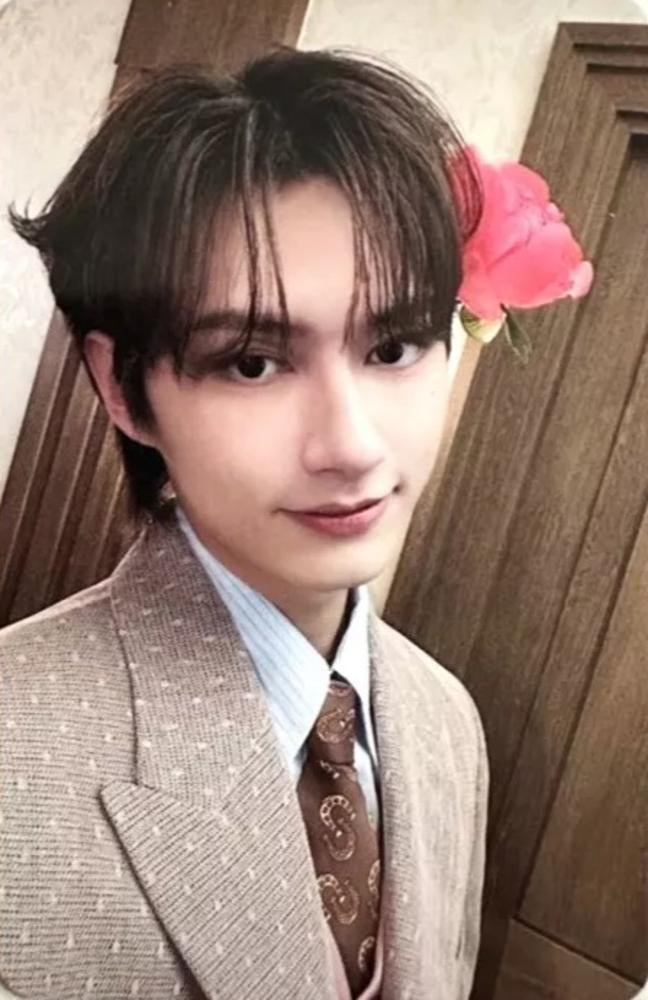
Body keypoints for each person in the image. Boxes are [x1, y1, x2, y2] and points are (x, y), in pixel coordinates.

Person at [1, 47, 488, 1000]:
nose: (351, 445)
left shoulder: (446, 722)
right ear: (122, 388)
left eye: (394, 346)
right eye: (254, 363)